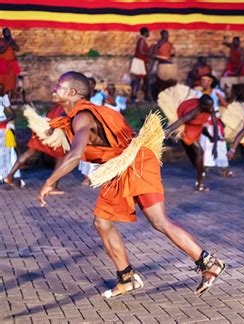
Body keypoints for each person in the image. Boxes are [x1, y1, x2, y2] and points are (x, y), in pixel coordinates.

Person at [38, 71, 226, 298]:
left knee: (155, 221)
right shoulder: (75, 112)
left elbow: (76, 153)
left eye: (58, 85)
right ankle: (129, 278)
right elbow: (62, 118)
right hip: (126, 163)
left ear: (72, 92)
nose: (53, 88)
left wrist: (49, 182)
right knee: (106, 221)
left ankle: (207, 263)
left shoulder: (83, 117)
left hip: (135, 163)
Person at [4, 102, 66, 189]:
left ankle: (9, 176)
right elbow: (62, 116)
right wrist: (52, 128)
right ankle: (53, 186)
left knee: (29, 152)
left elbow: (48, 116)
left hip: (42, 130)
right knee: (61, 158)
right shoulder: (67, 105)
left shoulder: (58, 105)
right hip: (53, 133)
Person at [166, 95, 218, 191]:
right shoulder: (194, 112)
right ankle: (200, 182)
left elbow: (215, 125)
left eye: (212, 106)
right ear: (202, 106)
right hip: (188, 130)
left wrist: (215, 145)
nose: (211, 108)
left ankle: (200, 175)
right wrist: (168, 130)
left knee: (197, 156)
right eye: (209, 106)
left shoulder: (210, 108)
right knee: (199, 153)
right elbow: (181, 121)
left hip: (197, 128)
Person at [198, 74, 233, 177]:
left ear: (210, 82)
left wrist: (222, 96)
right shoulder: (197, 93)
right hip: (204, 121)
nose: (203, 82)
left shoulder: (216, 93)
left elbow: (225, 105)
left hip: (215, 122)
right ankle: (204, 169)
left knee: (220, 145)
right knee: (204, 145)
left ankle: (225, 169)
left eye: (205, 80)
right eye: (202, 80)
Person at [0, 90, 18, 182]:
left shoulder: (3, 99)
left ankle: (6, 176)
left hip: (2, 129)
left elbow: (12, 114)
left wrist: (5, 121)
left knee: (5, 154)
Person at [130, 27, 150, 102]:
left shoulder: (143, 40)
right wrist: (149, 53)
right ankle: (133, 96)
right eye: (148, 32)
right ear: (145, 33)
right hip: (139, 61)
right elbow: (141, 51)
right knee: (137, 80)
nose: (149, 34)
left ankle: (144, 96)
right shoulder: (141, 40)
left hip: (141, 61)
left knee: (142, 80)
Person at [0, 28, 20, 96]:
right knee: (3, 83)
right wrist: (8, 43)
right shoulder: (1, 41)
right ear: (3, 34)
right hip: (3, 64)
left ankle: (8, 101)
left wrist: (11, 42)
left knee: (11, 84)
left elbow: (17, 49)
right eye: (6, 32)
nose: (8, 34)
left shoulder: (11, 41)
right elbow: (1, 51)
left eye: (9, 32)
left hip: (11, 65)